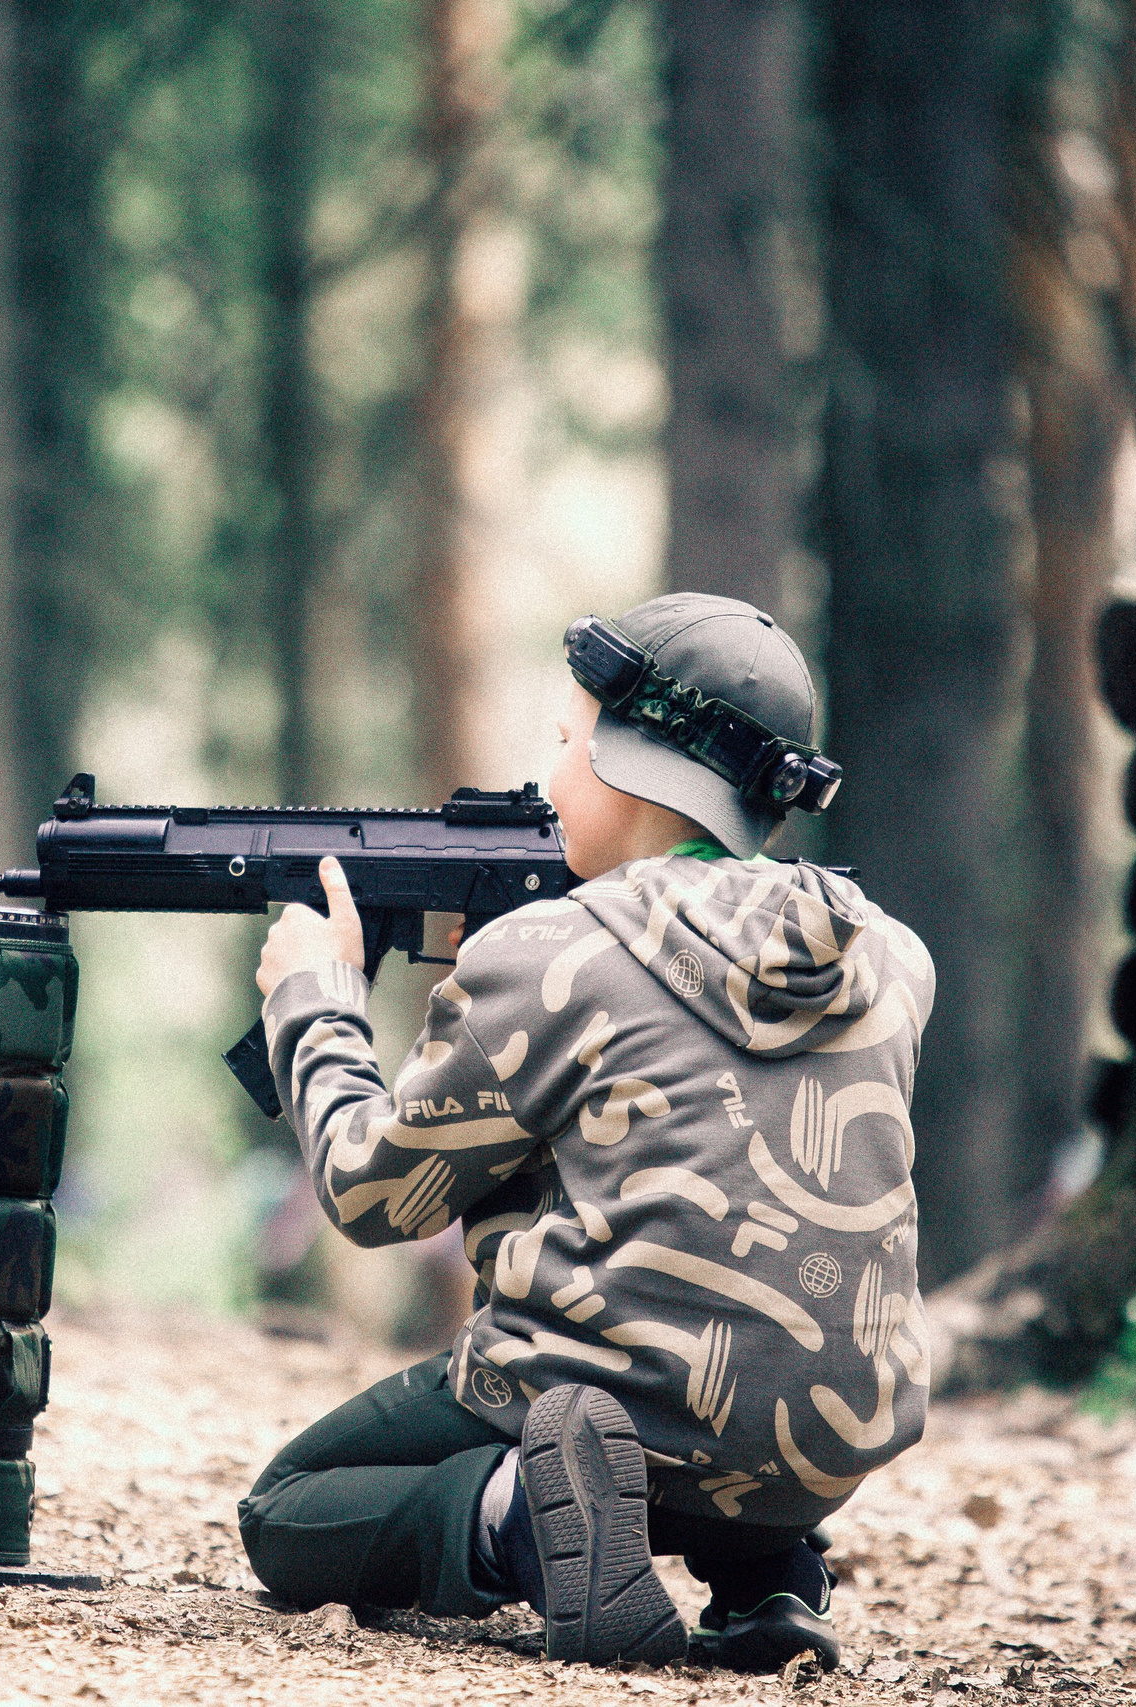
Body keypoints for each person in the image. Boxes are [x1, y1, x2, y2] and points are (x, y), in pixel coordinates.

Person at [233, 592, 935, 1670]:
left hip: (611, 1405)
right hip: (821, 1441)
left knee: (288, 1512)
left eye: (565, 742)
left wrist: (316, 1004)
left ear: (635, 763)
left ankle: (523, 1520)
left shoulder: (556, 956)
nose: (548, 777)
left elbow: (376, 1197)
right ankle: (770, 1576)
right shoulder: (892, 959)